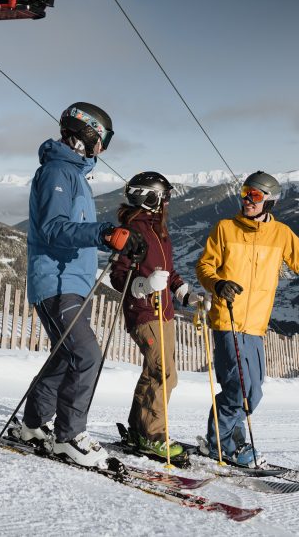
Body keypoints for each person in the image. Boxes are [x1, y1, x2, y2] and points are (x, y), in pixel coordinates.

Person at [15, 102, 147, 468]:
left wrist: (113, 239)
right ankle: (69, 436)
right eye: (102, 139)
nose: (103, 149)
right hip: (57, 282)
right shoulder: (58, 172)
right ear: (87, 134)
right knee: (86, 355)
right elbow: (54, 229)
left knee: (64, 356)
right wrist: (105, 234)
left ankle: (32, 426)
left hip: (72, 282)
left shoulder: (72, 174)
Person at [195, 170, 299, 466]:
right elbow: (204, 266)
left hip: (256, 326)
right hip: (227, 320)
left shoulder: (281, 235)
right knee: (241, 390)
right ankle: (217, 443)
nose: (247, 200)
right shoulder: (225, 228)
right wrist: (217, 284)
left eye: (254, 195)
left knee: (251, 389)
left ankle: (233, 440)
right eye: (244, 192)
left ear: (270, 201)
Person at [109, 171, 200, 460]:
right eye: (164, 198)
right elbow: (118, 275)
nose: (167, 203)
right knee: (165, 373)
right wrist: (142, 286)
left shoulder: (159, 231)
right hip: (144, 311)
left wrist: (185, 292)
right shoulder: (131, 232)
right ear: (150, 198)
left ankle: (139, 429)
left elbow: (168, 272)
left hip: (165, 312)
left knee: (154, 373)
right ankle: (153, 435)